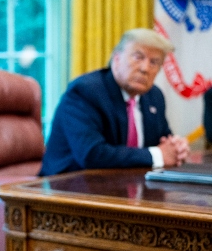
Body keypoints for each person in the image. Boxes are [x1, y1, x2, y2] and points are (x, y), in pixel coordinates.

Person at [39, 28, 190, 176]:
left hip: (125, 184)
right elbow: (92, 155)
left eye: (154, 62)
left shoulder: (154, 96)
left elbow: (163, 141)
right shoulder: (85, 91)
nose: (145, 68)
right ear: (116, 59)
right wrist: (157, 155)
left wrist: (176, 148)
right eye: (138, 57)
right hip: (66, 186)